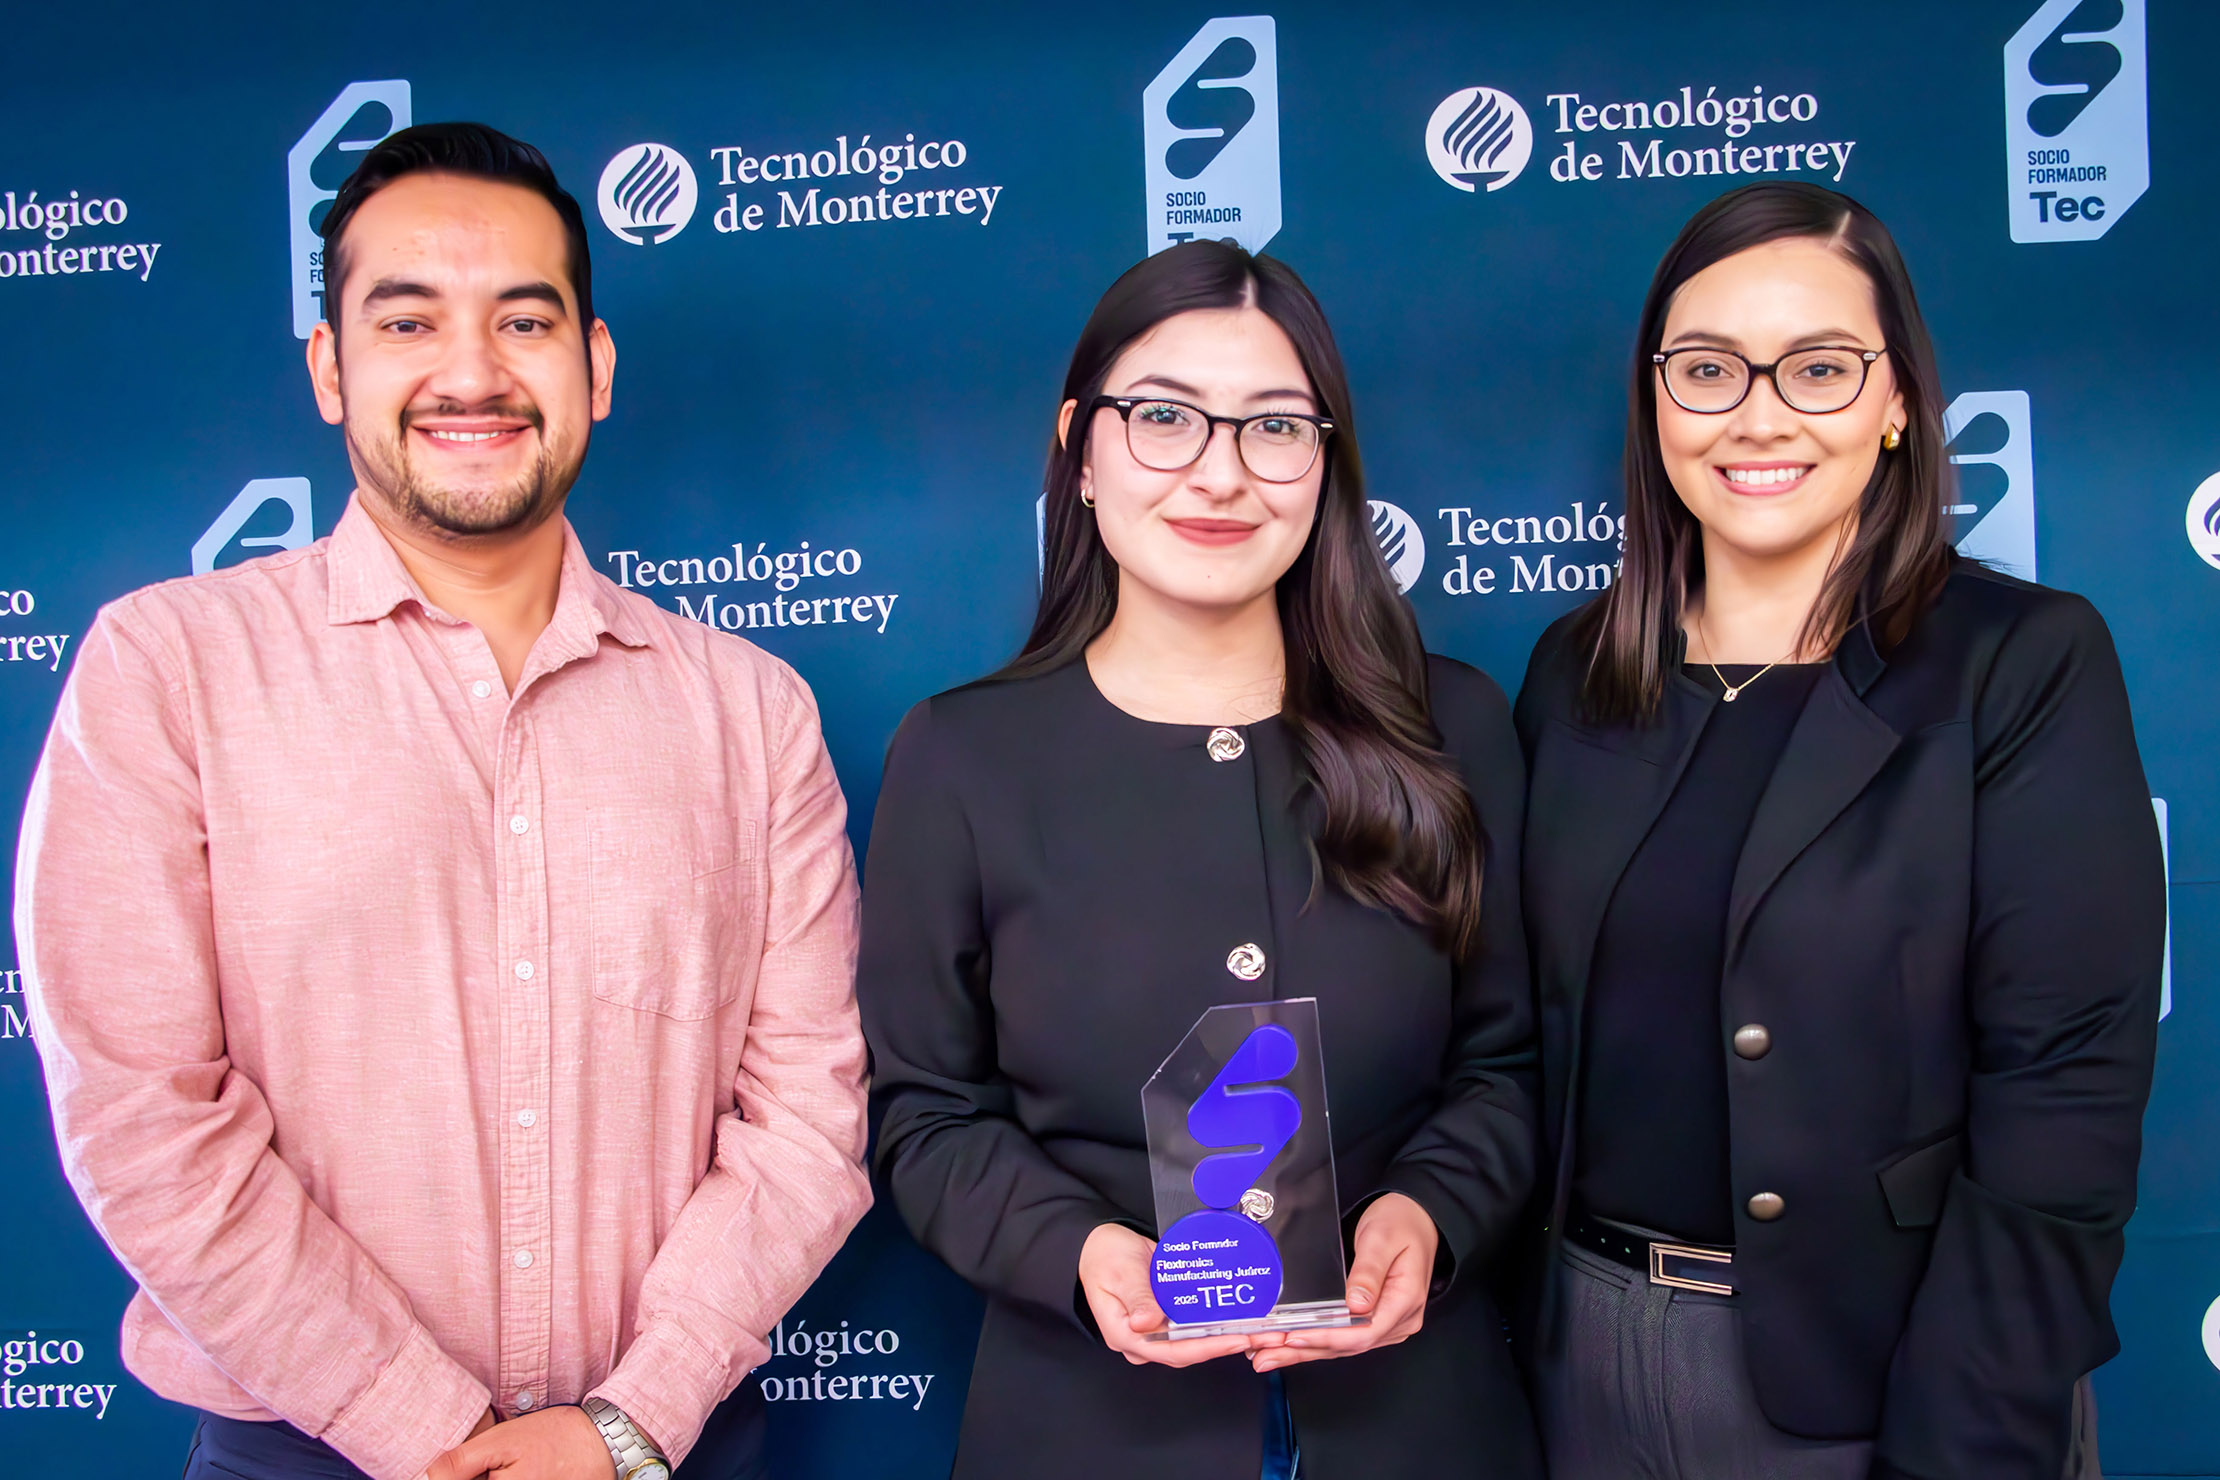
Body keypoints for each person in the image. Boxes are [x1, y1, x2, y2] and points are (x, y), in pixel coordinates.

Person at [15, 123, 871, 1480]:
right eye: (408, 322)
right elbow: (145, 1118)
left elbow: (808, 1122)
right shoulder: (168, 668)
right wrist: (428, 1430)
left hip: (661, 1454)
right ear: (330, 368)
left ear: (594, 367)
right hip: (305, 1451)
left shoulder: (752, 711)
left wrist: (628, 1420)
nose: (472, 373)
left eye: (524, 322)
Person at [857, 240, 1544, 1480]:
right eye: (1164, 417)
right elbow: (927, 1114)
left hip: (1418, 1421)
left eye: (1274, 427)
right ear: (1081, 448)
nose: (1220, 474)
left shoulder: (1453, 725)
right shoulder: (962, 757)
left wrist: (1429, 1215)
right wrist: (1077, 1254)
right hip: (1089, 1427)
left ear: (1325, 461)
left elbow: (1508, 1067)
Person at [1515, 181, 2164, 1480]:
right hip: (1582, 1377)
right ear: (1655, 401)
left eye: (1818, 368)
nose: (1758, 415)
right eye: (1709, 369)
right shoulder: (1573, 673)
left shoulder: (2019, 662)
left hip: (1888, 1382)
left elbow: (2065, 1094)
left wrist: (1963, 1440)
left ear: (1897, 402)